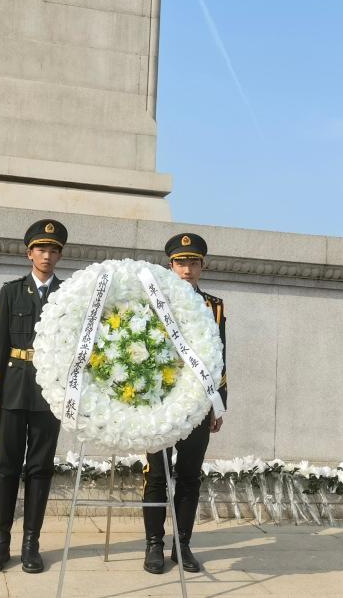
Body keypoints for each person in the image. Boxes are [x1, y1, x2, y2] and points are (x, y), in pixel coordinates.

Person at [0, 219, 68, 574]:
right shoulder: (11, 291)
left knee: (40, 469)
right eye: (41, 249)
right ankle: (1, 541)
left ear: (60, 255)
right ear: (29, 252)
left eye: (53, 250)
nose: (47, 256)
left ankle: (31, 543)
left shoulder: (70, 294)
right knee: (6, 468)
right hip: (14, 389)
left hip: (50, 394)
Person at [143, 232, 228, 574]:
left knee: (190, 475)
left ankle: (183, 544)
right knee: (156, 476)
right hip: (160, 402)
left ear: (202, 266)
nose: (187, 269)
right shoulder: (152, 301)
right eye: (181, 262)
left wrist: (219, 402)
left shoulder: (214, 305)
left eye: (193, 262)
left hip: (198, 403)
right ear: (170, 265)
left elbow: (221, 356)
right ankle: (153, 545)